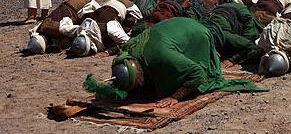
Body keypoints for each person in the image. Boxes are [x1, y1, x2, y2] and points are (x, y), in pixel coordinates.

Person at [85, 18, 262, 101]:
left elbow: (197, 74)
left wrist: (175, 97)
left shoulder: (161, 56)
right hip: (174, 27)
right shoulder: (125, 55)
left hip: (197, 33)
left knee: (201, 71)